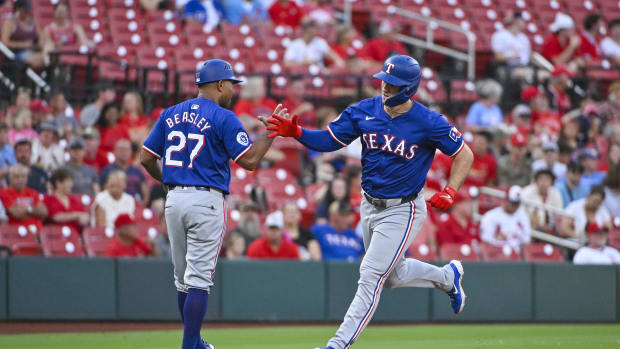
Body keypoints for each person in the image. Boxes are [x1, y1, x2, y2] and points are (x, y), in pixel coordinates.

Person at [267, 55, 474, 349]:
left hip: (404, 207)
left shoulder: (428, 121)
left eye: (393, 83)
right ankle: (447, 277)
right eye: (384, 81)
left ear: (409, 88)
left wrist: (451, 190)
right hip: (369, 205)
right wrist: (298, 133)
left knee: (370, 274)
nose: (385, 87)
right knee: (392, 276)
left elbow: (464, 154)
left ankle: (337, 345)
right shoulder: (364, 110)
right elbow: (330, 140)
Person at [139, 59, 278, 349]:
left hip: (175, 199)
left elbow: (146, 158)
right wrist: (272, 134)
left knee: (182, 280)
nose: (233, 90)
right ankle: (190, 346)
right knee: (199, 279)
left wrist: (168, 181)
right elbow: (249, 161)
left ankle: (195, 343)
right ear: (218, 84)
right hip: (206, 200)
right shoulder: (224, 117)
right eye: (231, 84)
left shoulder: (170, 113)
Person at [480, 185, 531, 253]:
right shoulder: (490, 216)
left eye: (517, 203)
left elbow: (526, 241)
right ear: (506, 200)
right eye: (512, 202)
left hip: (517, 256)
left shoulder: (523, 216)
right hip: (496, 254)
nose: (515, 206)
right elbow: (486, 242)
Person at [0, 164, 48, 232]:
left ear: (27, 178)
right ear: (10, 178)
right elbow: (16, 214)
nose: (20, 179)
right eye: (16, 177)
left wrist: (28, 209)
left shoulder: (32, 192)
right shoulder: (4, 193)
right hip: (17, 234)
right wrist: (35, 211)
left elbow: (44, 212)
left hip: (37, 232)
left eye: (23, 176)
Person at [0, 0, 45, 68]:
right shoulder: (10, 23)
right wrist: (23, 44)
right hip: (17, 53)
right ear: (18, 9)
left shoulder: (32, 21)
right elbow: (4, 43)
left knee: (47, 54)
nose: (28, 13)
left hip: (34, 51)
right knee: (44, 59)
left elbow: (41, 36)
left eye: (29, 10)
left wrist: (40, 43)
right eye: (25, 10)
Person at [43, 168, 89, 233]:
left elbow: (84, 217)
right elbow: (56, 217)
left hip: (75, 236)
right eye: (68, 181)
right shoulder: (48, 199)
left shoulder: (74, 200)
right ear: (58, 183)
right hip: (55, 237)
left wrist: (84, 218)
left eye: (71, 181)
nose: (71, 184)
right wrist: (77, 215)